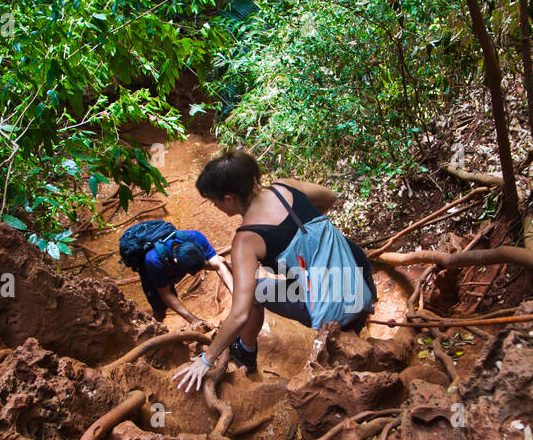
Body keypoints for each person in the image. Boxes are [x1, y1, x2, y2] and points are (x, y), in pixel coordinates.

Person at [173, 149, 376, 392]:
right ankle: (354, 333)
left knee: (256, 290)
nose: (215, 206)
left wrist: (207, 360)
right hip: (359, 280)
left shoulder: (246, 240)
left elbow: (239, 313)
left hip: (329, 308)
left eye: (213, 200)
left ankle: (246, 354)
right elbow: (330, 197)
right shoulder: (286, 187)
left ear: (228, 198)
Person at [121, 222, 233, 330]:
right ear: (176, 262)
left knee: (220, 261)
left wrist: (236, 293)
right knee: (160, 308)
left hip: (177, 260)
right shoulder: (153, 261)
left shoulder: (195, 236)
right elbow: (166, 293)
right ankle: (156, 331)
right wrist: (194, 320)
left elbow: (218, 265)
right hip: (154, 271)